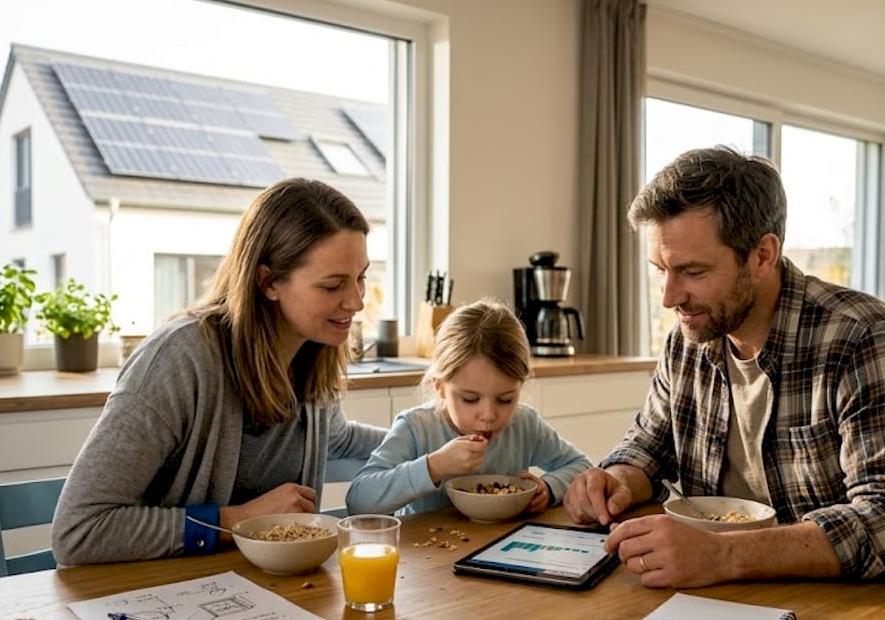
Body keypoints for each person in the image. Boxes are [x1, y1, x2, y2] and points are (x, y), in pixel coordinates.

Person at [563, 146, 885, 589]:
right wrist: (616, 479)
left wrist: (721, 555)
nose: (669, 297)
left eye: (693, 272)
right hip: (745, 597)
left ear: (762, 256)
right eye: (661, 270)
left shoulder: (863, 337)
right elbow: (648, 447)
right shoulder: (690, 339)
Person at [52, 178, 387, 565]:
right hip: (162, 596)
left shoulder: (311, 353)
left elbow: (338, 439)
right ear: (268, 282)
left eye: (361, 276)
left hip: (261, 593)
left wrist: (436, 434)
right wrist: (238, 520)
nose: (357, 301)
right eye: (333, 286)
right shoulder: (179, 359)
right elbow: (78, 531)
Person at [346, 299, 591, 516]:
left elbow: (582, 467)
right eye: (470, 399)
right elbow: (359, 500)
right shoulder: (416, 427)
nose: (488, 416)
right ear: (440, 387)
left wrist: (549, 488)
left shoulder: (524, 424)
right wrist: (435, 466)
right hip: (425, 559)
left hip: (504, 550)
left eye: (505, 399)